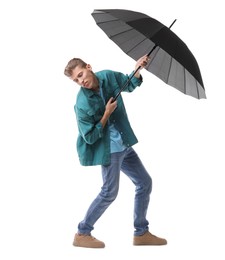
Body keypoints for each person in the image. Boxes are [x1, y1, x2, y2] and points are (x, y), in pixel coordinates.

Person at [64, 55, 167, 248]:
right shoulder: (82, 104)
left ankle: (141, 232)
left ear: (88, 66)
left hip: (124, 143)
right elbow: (90, 137)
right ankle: (82, 233)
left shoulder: (108, 77)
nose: (81, 81)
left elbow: (128, 85)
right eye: (76, 80)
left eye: (81, 74)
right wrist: (106, 114)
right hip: (109, 150)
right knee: (109, 192)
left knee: (144, 182)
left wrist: (137, 69)